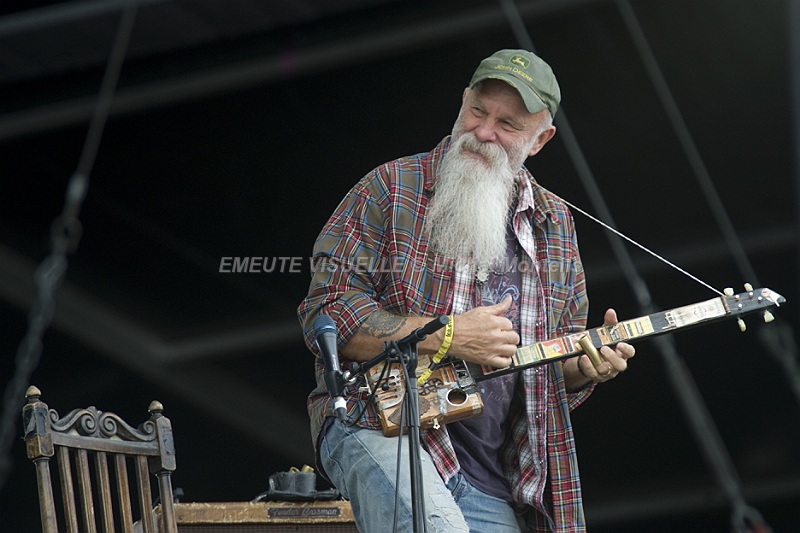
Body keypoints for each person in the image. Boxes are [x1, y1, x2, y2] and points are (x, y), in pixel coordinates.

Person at [297, 49, 635, 532]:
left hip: (491, 475)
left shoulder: (556, 225)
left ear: (540, 140)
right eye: (478, 111)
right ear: (462, 102)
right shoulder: (390, 187)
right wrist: (447, 334)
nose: (483, 131)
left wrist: (581, 370)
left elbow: (546, 369)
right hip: (378, 425)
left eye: (507, 124)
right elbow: (326, 312)